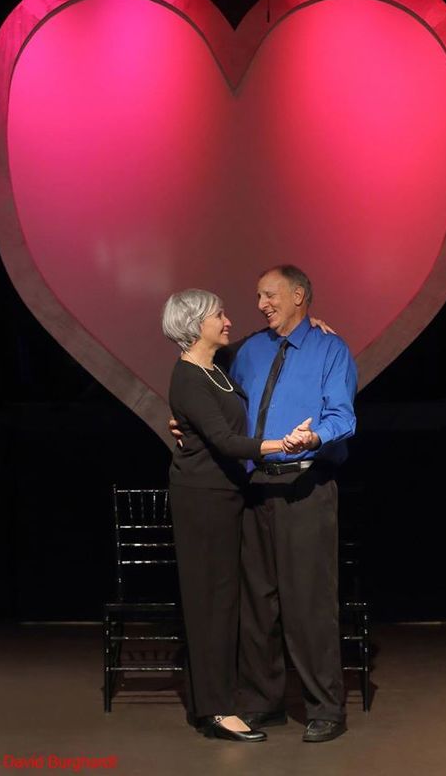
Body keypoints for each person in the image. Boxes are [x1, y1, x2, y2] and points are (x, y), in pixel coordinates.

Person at [172, 265, 357, 742]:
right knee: (257, 607)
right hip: (253, 491)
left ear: (299, 295)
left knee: (309, 604)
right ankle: (261, 701)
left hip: (305, 488)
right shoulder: (247, 351)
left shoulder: (329, 349)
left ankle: (324, 708)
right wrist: (184, 425)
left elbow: (343, 416)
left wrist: (315, 436)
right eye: (256, 296)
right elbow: (210, 397)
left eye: (269, 295)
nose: (260, 305)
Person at [162, 288, 311, 743]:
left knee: (229, 602)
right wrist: (281, 445)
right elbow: (227, 442)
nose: (228, 320)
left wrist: (313, 325)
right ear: (195, 323)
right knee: (209, 604)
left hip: (228, 496)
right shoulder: (188, 377)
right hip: (202, 500)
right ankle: (214, 710)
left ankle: (225, 699)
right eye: (219, 315)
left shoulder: (215, 370)